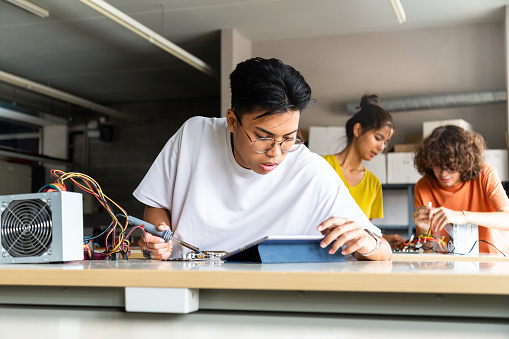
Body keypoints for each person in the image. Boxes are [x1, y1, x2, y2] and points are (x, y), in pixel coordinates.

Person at [133, 57, 391, 261]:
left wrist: (368, 244)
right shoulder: (194, 135)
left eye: (289, 138)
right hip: (187, 281)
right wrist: (157, 236)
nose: (276, 153)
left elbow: (383, 251)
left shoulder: (311, 172)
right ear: (232, 121)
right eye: (263, 137)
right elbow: (157, 204)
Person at [412, 125, 509, 254]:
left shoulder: (486, 174)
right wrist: (424, 231)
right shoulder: (423, 186)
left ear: (464, 162)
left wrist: (462, 216)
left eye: (451, 167)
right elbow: (427, 251)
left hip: (492, 259)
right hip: (448, 264)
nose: (444, 174)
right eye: (437, 166)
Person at [323, 95, 403, 249]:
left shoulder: (373, 183)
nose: (381, 147)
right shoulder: (322, 166)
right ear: (358, 130)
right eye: (378, 138)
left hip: (355, 259)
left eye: (385, 143)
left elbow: (366, 231)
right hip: (318, 253)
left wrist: (384, 239)